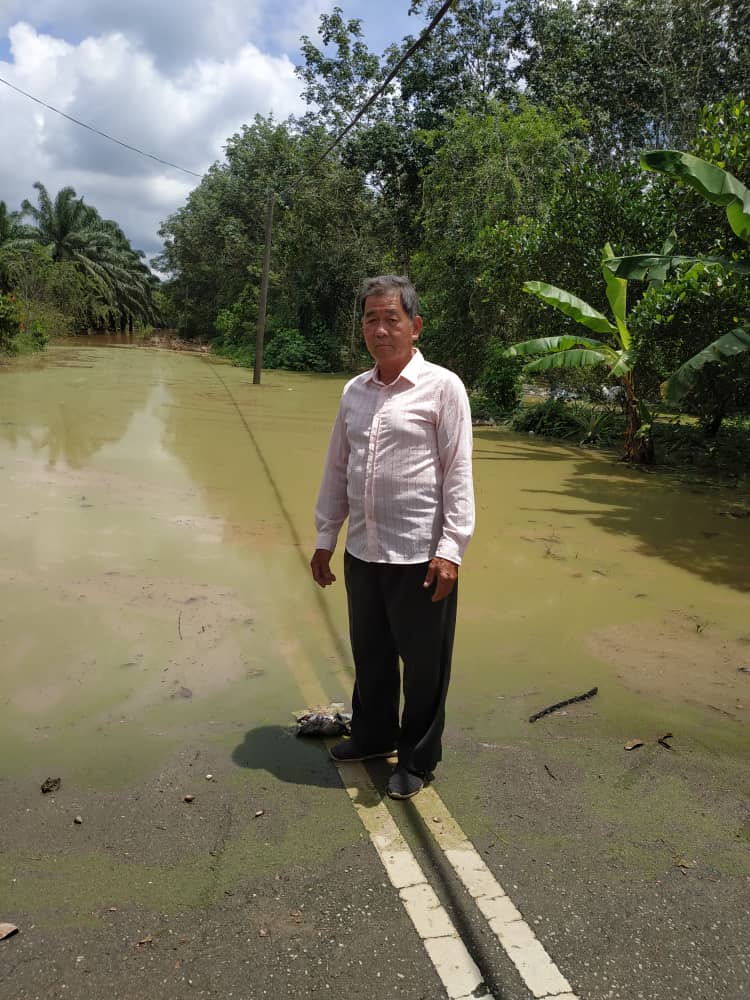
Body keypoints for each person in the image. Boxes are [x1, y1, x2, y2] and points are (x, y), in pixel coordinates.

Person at [310, 275, 475, 800]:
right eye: (370, 319)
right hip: (364, 551)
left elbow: (458, 474)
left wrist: (451, 551)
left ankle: (418, 757)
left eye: (391, 319)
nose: (380, 330)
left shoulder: (443, 387)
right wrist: (324, 536)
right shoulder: (353, 392)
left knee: (424, 666)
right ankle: (373, 735)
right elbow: (338, 469)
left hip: (420, 557)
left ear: (415, 326)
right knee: (372, 655)